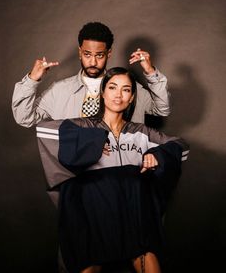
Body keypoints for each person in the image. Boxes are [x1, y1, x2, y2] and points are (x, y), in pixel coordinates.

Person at [36, 67, 189, 273]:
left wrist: (158, 155)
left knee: (149, 261)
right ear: (103, 92)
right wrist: (93, 141)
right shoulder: (84, 127)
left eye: (126, 90)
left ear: (132, 96)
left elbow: (180, 147)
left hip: (133, 214)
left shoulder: (142, 132)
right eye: (112, 87)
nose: (118, 94)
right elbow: (45, 131)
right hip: (94, 215)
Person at [12, 21, 170, 128]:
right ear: (80, 52)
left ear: (109, 53)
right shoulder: (59, 91)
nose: (93, 62)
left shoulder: (127, 88)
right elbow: (24, 118)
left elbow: (162, 109)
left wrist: (150, 72)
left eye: (99, 55)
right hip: (75, 173)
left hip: (118, 171)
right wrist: (32, 80)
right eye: (87, 54)